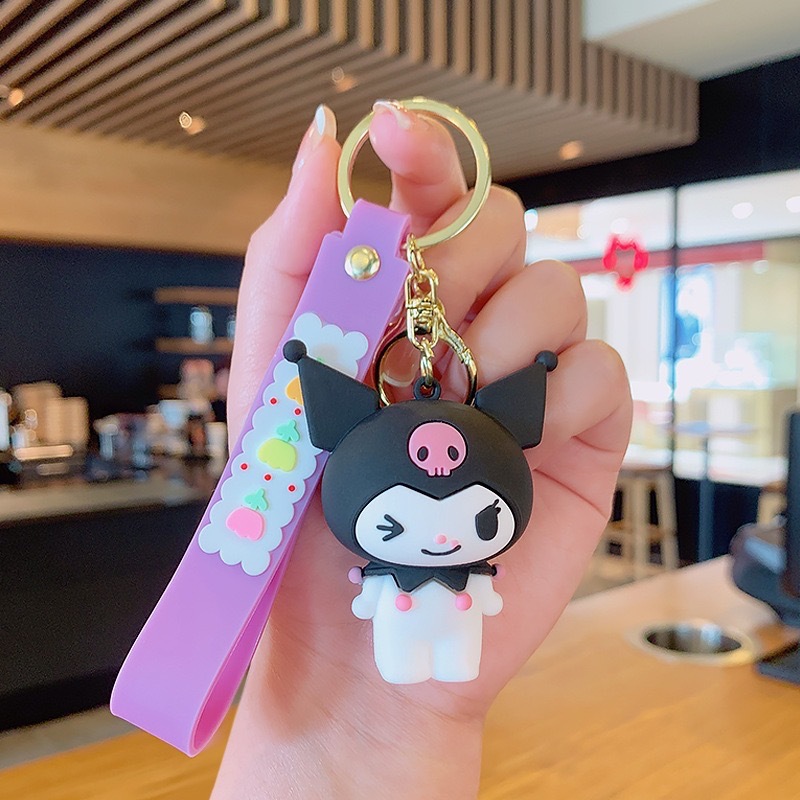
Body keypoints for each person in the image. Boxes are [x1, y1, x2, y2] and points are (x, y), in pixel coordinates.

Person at [212, 101, 632, 799]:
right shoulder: (356, 513)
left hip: (445, 637)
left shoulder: (460, 541)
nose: (439, 538)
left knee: (449, 651)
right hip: (393, 628)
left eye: (479, 519)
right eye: (395, 524)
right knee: (412, 652)